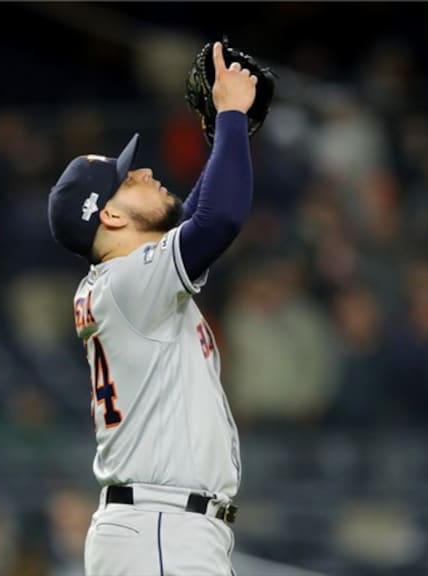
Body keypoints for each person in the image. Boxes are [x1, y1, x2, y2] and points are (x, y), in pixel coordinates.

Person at [47, 41, 257, 575]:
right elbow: (216, 221)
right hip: (162, 529)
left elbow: (200, 215)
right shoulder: (127, 285)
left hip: (162, 529)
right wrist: (230, 116)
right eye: (126, 180)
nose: (143, 173)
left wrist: (223, 134)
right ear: (110, 219)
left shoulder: (126, 286)